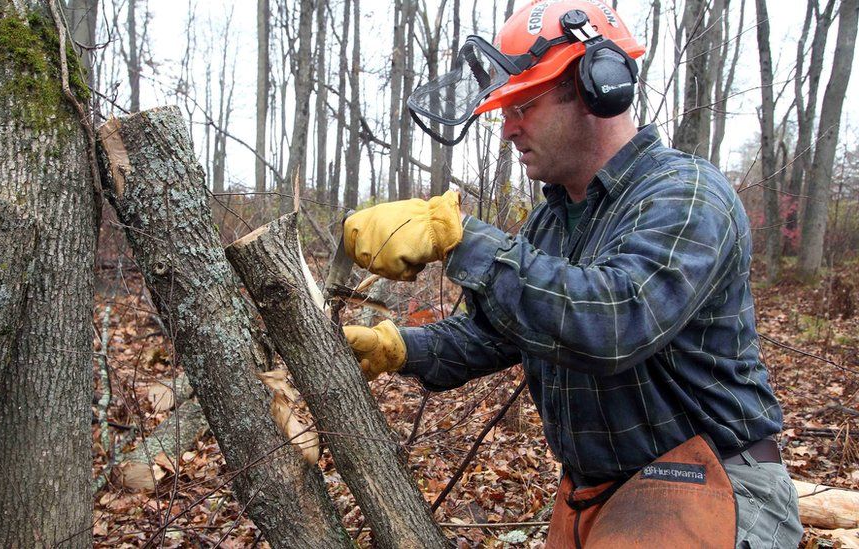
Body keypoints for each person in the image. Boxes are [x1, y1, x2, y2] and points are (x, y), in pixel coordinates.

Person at [340, 1, 804, 547]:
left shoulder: (686, 195)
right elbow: (495, 331)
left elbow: (614, 320)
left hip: (716, 483)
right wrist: (398, 348)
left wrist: (463, 238)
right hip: (600, 493)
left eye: (522, 105)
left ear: (594, 86)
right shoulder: (553, 219)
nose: (507, 128)